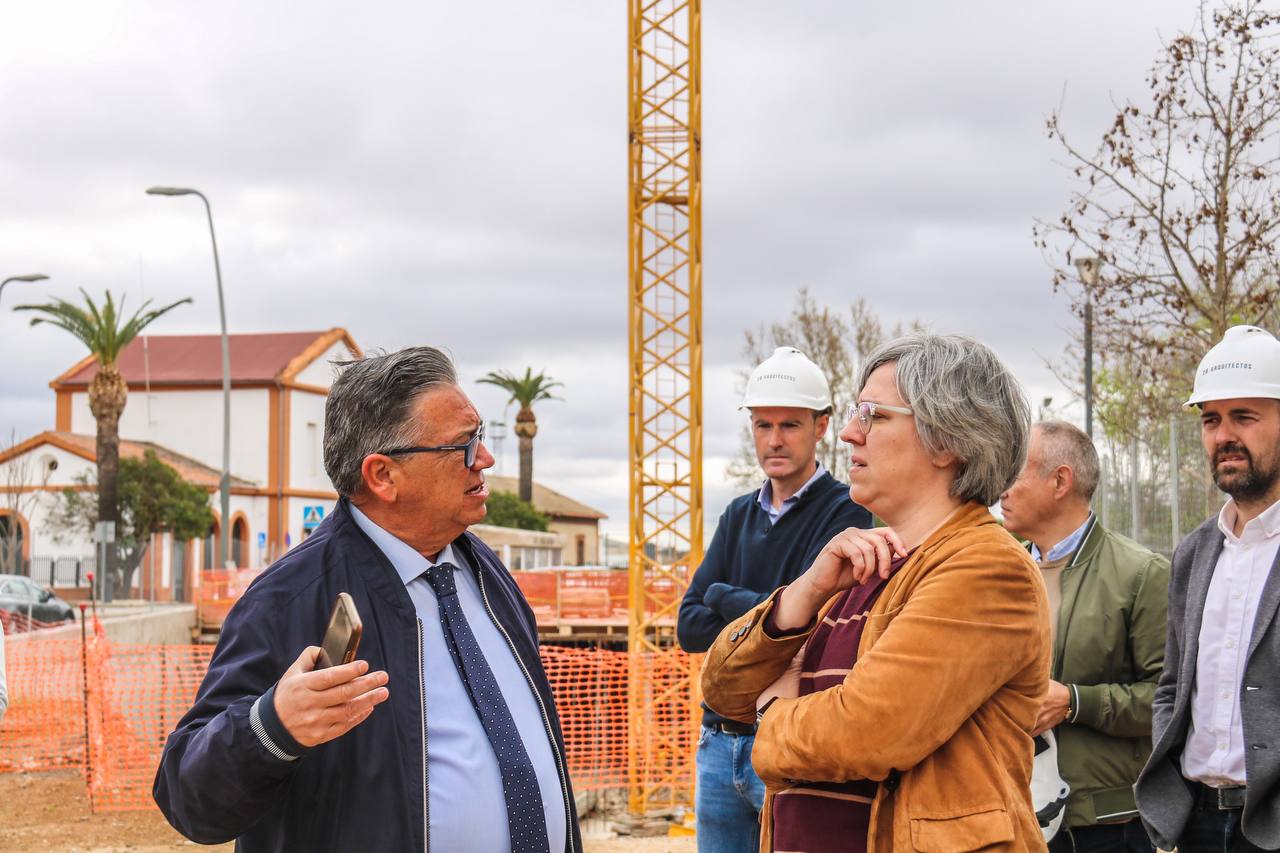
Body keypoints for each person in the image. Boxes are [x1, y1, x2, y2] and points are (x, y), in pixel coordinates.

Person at [154, 347, 579, 853]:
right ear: (383, 476)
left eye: (480, 437)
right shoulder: (288, 601)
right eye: (463, 445)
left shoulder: (486, 573)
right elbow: (189, 799)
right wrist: (273, 727)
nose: (484, 459)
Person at [701, 332, 1052, 853]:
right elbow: (723, 690)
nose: (847, 434)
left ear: (948, 440)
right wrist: (803, 592)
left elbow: (867, 730)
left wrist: (770, 716)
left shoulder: (987, 567)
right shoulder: (864, 567)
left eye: (873, 415)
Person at [678, 346, 872, 853]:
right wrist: (773, 604)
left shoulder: (846, 512)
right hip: (718, 742)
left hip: (782, 738)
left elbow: (809, 622)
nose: (775, 439)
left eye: (790, 424)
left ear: (822, 426)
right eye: (763, 425)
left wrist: (721, 595)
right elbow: (689, 627)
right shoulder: (737, 515)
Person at [1137, 325, 1280, 852]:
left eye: (1245, 417)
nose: (1224, 436)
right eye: (1211, 420)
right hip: (1194, 823)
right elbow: (1173, 686)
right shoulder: (1195, 553)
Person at [1001, 421, 1168, 852]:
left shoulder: (1141, 573)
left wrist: (1075, 703)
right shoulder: (996, 571)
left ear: (1060, 481)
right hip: (1011, 813)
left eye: (1015, 471)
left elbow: (1167, 702)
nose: (1001, 485)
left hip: (1104, 826)